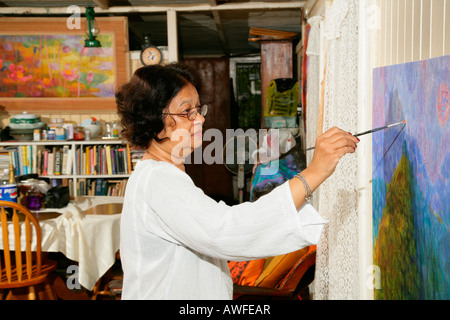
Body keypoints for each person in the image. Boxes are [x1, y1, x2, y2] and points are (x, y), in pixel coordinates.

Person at [116, 63, 359, 300]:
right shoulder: (159, 181)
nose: (199, 119)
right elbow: (224, 231)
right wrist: (314, 173)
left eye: (198, 109)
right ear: (154, 121)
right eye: (186, 112)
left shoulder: (162, 175)